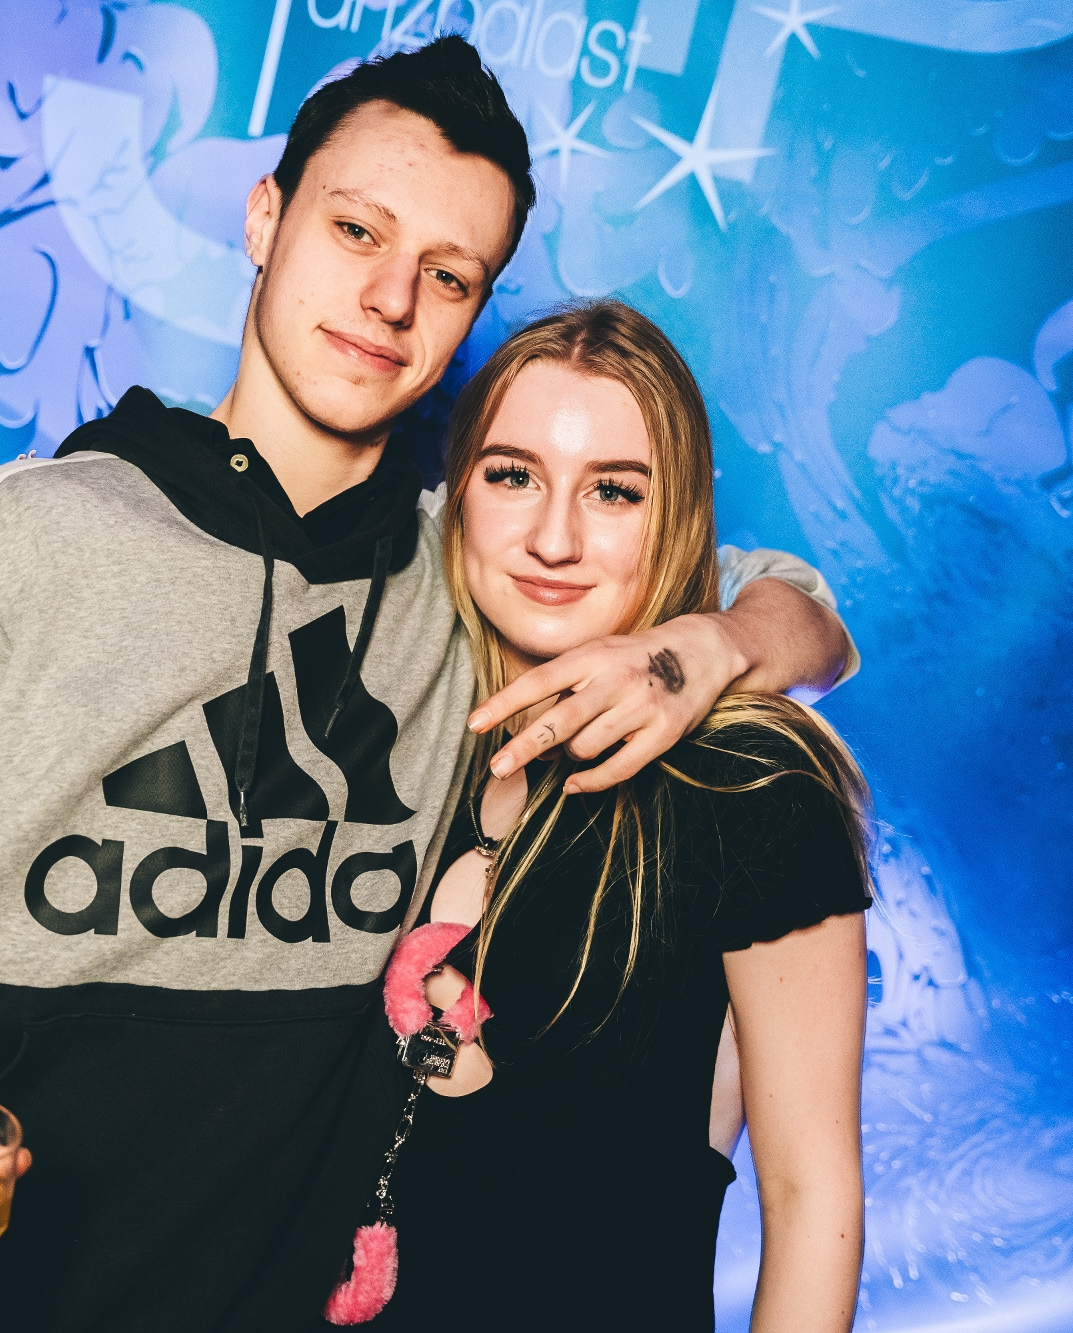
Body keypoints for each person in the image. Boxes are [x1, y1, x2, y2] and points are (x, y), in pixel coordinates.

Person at [0, 39, 857, 1333]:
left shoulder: (471, 580)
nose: (389, 299)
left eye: (447, 276)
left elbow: (779, 595)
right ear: (265, 218)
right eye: (356, 230)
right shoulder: (42, 529)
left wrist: (699, 651)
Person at [349, 302, 870, 1331]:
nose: (554, 539)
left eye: (614, 491)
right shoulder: (411, 715)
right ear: (456, 497)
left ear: (675, 516)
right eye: (512, 475)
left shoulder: (750, 783)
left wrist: (716, 643)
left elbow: (812, 1198)